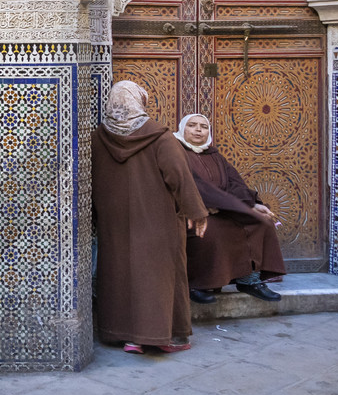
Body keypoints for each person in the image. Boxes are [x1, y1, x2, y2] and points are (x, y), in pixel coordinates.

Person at [92, 80, 211, 354]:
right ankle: (161, 337)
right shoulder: (159, 136)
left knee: (120, 274)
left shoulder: (98, 138)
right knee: (159, 274)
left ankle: (126, 335)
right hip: (158, 220)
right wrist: (196, 211)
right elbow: (179, 177)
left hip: (115, 224)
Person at [175, 113, 286, 303]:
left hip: (223, 209)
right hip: (193, 212)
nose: (198, 130)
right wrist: (202, 206)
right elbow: (186, 185)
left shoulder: (215, 156)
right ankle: (197, 284)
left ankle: (249, 280)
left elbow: (234, 183)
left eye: (204, 127)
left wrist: (253, 204)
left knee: (261, 223)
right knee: (212, 232)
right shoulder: (175, 153)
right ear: (182, 129)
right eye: (192, 125)